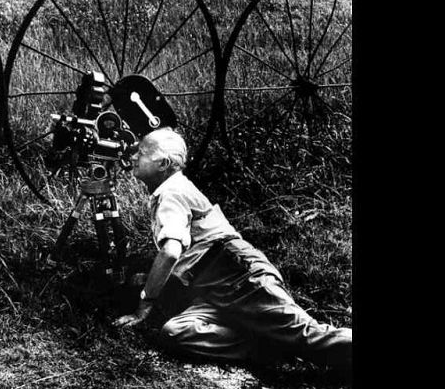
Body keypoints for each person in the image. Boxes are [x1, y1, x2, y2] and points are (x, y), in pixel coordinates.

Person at [112, 128, 352, 371]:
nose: (133, 157)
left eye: (141, 153)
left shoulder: (172, 194)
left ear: (163, 163)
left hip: (243, 279)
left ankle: (284, 342)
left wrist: (144, 306)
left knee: (309, 337)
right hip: (214, 288)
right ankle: (267, 346)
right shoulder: (173, 189)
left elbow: (171, 252)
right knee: (176, 332)